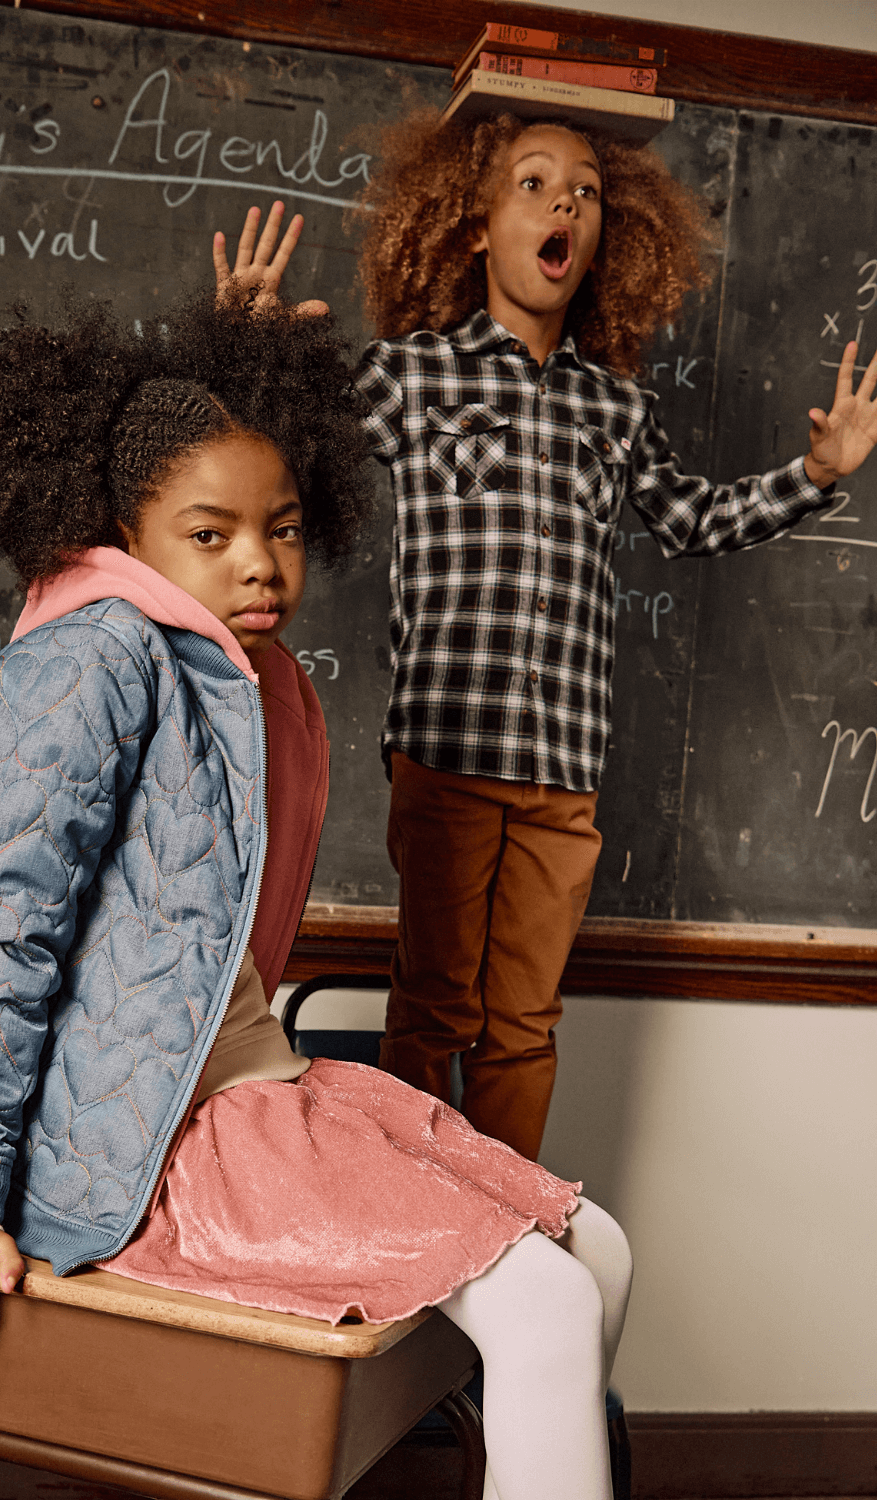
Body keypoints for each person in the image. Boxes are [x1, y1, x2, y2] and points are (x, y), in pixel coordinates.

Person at [0, 288, 634, 1500]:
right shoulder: (90, 657)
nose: (259, 560)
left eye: (282, 527)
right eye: (211, 533)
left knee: (591, 1249)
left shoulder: (233, 667)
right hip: (150, 1147)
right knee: (548, 1305)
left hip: (259, 1090)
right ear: (123, 533)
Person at [211, 114, 877, 1162]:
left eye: (586, 192)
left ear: (606, 237)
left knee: (524, 1024)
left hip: (564, 769)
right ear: (475, 225)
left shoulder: (615, 408)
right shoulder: (414, 376)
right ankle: (419, 1228)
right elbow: (275, 455)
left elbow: (691, 519)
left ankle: (507, 1225)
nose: (565, 202)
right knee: (432, 1012)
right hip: (449, 753)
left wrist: (819, 476)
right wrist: (246, 345)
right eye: (533, 183)